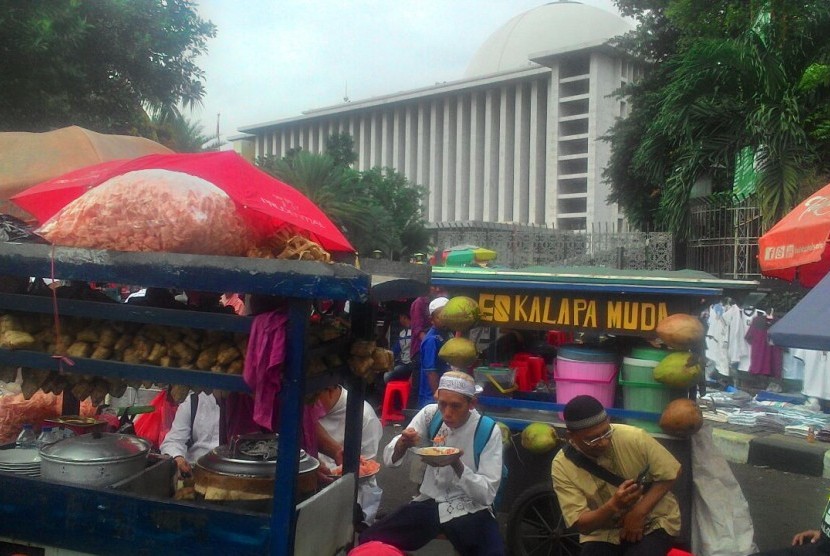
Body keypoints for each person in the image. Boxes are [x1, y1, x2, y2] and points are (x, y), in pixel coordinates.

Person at [359, 371, 505, 556]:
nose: (447, 413)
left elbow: (486, 494)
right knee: (369, 539)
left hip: (470, 508)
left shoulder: (488, 430)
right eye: (442, 404)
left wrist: (457, 465)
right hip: (429, 503)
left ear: (472, 404)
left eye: (455, 406)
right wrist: (403, 443)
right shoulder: (430, 414)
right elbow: (390, 459)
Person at [551, 395, 682, 555]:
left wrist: (638, 513)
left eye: (606, 433)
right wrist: (613, 505)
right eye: (592, 439)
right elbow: (581, 524)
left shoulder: (634, 437)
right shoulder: (561, 465)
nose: (603, 442)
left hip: (654, 520)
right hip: (604, 532)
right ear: (570, 436)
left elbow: (672, 471)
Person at [316, 385, 384, 524]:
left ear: (329, 390)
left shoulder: (364, 415)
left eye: (313, 399)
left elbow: (366, 468)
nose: (309, 405)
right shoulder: (307, 410)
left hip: (352, 493)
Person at [160, 391, 221, 477]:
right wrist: (177, 457)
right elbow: (174, 441)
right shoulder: (193, 401)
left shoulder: (242, 404)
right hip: (193, 469)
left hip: (229, 474)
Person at [416, 296, 450, 407]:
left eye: (447, 316)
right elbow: (431, 372)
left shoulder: (446, 334)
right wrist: (438, 397)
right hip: (432, 399)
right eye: (440, 317)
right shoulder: (432, 340)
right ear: (432, 320)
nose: (444, 320)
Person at [385, 313, 414, 383]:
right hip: (403, 363)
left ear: (404, 318)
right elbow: (395, 350)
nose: (400, 320)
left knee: (387, 376)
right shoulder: (402, 333)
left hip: (411, 365)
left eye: (400, 318)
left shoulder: (415, 332)